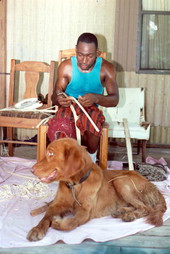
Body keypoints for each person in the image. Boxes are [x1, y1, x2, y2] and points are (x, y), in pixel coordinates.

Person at [48, 32, 119, 162]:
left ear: (97, 53)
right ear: (76, 50)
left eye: (89, 56)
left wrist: (96, 98)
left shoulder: (106, 68)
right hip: (68, 107)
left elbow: (114, 100)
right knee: (62, 124)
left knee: (92, 125)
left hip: (91, 107)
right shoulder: (66, 67)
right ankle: (64, 163)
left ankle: (90, 161)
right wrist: (59, 99)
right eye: (80, 55)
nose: (84, 61)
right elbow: (54, 96)